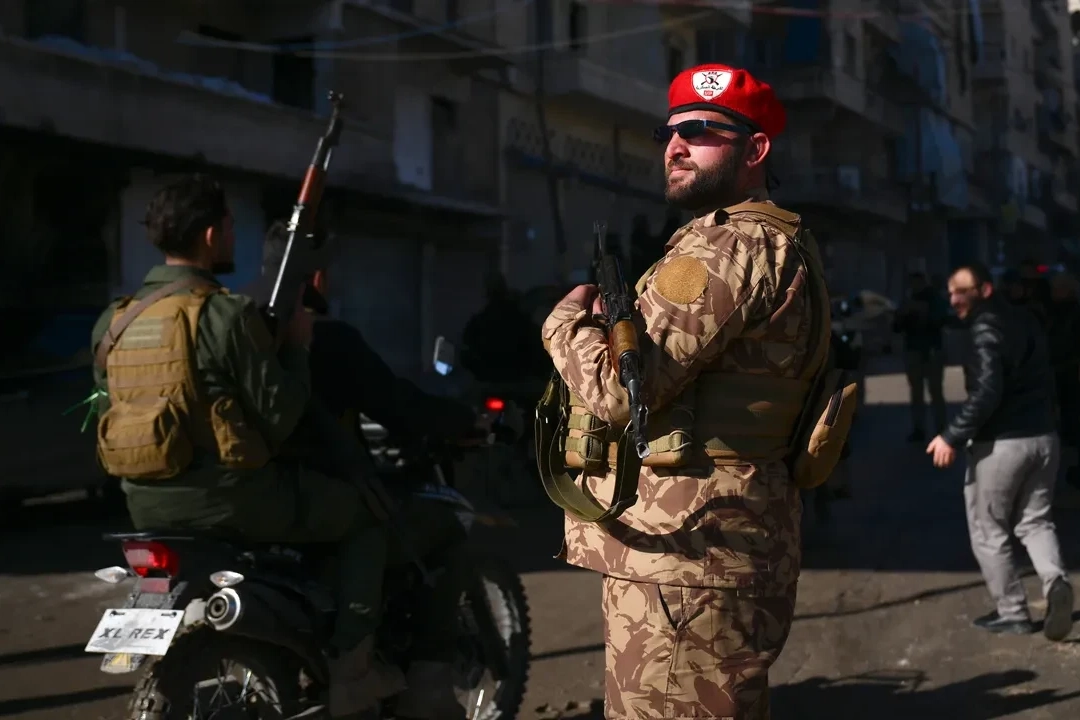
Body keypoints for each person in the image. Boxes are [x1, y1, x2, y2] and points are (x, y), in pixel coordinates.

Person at [541, 63, 825, 717]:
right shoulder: (777, 239)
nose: (675, 146)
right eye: (668, 133)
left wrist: (565, 325)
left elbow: (622, 394)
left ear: (755, 150)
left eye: (700, 132)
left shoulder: (725, 248)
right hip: (714, 548)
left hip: (691, 555)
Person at [90, 175, 402, 718]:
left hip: (144, 505)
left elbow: (103, 411)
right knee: (365, 521)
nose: (233, 237)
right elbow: (281, 416)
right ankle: (352, 671)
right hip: (234, 499)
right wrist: (298, 348)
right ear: (212, 235)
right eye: (231, 227)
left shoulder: (115, 321)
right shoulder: (223, 314)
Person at [253, 221, 482, 719]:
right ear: (316, 279)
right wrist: (465, 421)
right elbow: (398, 406)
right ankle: (426, 691)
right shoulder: (328, 341)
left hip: (249, 501)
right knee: (444, 531)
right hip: (316, 502)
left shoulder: (243, 332)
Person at [926, 263, 1074, 641]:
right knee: (1036, 521)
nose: (954, 299)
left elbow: (988, 390)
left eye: (962, 291)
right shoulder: (1027, 320)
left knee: (987, 529)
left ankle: (1012, 612)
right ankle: (1055, 580)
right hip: (1043, 437)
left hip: (1002, 444)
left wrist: (951, 436)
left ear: (985, 290)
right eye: (950, 292)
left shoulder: (986, 326)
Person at [893, 271, 948, 441]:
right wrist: (904, 314)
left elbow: (940, 320)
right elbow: (896, 326)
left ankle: (941, 428)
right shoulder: (908, 300)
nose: (915, 286)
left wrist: (923, 312)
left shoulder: (934, 299)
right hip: (914, 349)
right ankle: (919, 428)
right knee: (916, 392)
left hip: (931, 350)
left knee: (935, 391)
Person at [1046, 271, 1080, 489]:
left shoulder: (1071, 314)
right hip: (1061, 373)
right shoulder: (1055, 313)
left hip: (1070, 372)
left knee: (1073, 420)